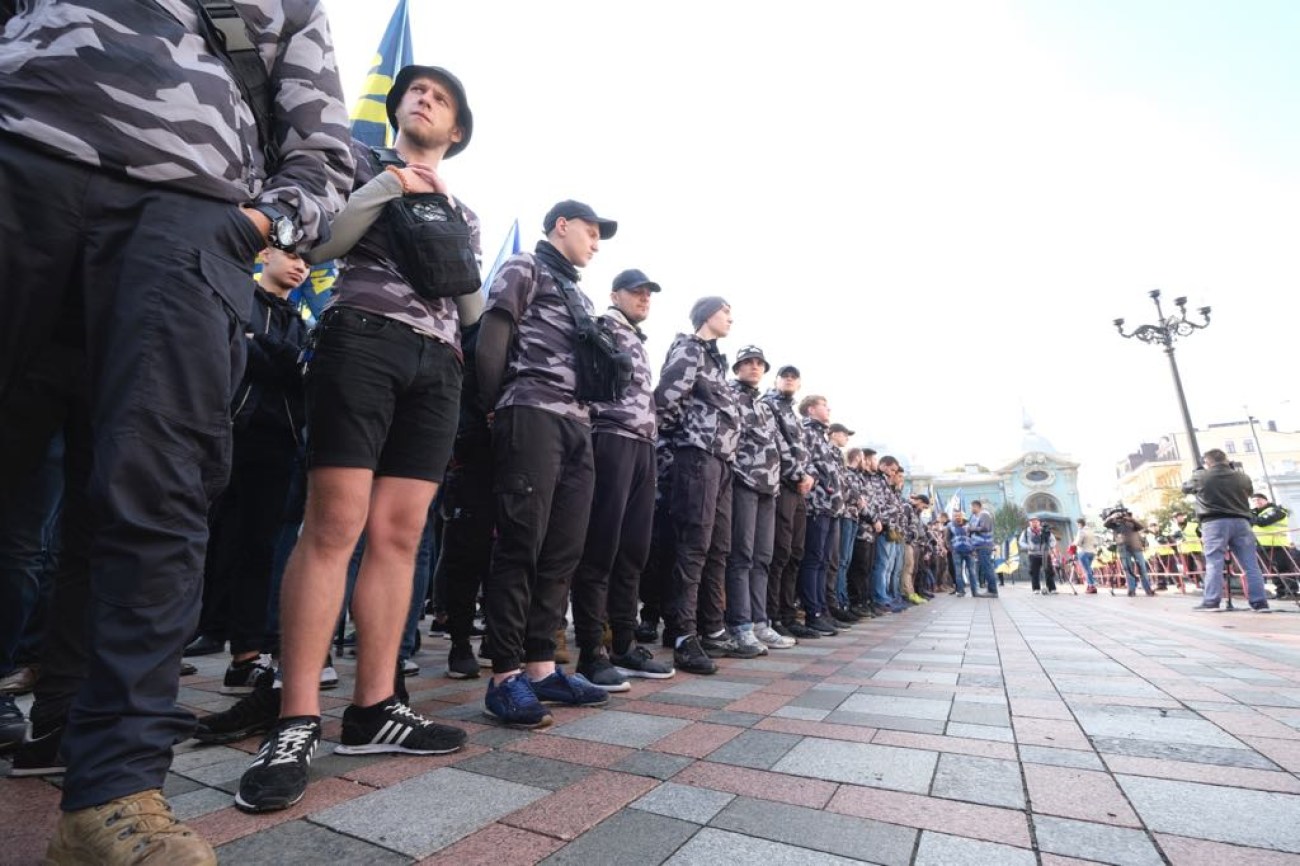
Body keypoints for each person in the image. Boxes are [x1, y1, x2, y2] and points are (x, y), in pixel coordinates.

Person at [0, 2, 353, 860]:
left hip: (186, 220)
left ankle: (111, 792)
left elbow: (325, 151)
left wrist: (252, 225)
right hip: (20, 155)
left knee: (155, 497)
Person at [237, 64, 479, 815]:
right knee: (333, 525)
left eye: (440, 97)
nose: (425, 98)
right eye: (417, 91)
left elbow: (469, 302)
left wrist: (439, 213)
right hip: (361, 341)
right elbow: (323, 244)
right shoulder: (360, 168)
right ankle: (296, 717)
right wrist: (388, 189)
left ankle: (375, 709)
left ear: (458, 131)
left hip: (438, 362)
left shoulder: (462, 206)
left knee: (399, 535)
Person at [475, 200, 620, 725]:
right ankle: (505, 675)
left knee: (562, 550)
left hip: (577, 424)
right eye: (591, 231)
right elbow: (494, 336)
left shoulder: (576, 291)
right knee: (520, 543)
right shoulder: (525, 267)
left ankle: (541, 667)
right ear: (562, 225)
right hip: (529, 410)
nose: (596, 243)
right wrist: (492, 409)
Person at [199, 248, 309, 695]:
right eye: (293, 255)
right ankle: (190, 636)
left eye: (307, 259)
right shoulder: (240, 297)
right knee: (202, 540)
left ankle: (246, 655)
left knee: (258, 549)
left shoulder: (299, 319)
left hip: (278, 441)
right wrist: (281, 358)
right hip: (226, 430)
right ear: (265, 254)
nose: (301, 265)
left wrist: (270, 350)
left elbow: (303, 370)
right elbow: (236, 352)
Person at [570, 269, 675, 691]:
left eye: (649, 293)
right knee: (601, 548)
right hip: (610, 439)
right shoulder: (601, 327)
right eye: (637, 292)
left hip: (643, 446)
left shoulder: (636, 338)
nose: (644, 298)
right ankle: (591, 651)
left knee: (633, 550)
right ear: (615, 294)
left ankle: (624, 644)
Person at [656, 297, 744, 674]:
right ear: (708, 315)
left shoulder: (715, 361)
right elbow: (666, 402)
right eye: (726, 312)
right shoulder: (689, 348)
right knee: (693, 545)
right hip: (697, 456)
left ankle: (711, 627)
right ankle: (682, 634)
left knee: (718, 548)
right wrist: (672, 454)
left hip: (721, 462)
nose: (731, 318)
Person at [725, 346, 797, 654]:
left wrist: (799, 473)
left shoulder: (765, 407)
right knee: (741, 555)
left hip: (770, 489)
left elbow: (781, 445)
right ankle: (740, 626)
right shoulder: (729, 396)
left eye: (759, 364)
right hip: (743, 482)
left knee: (763, 558)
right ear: (737, 367)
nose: (754, 367)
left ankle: (759, 622)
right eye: (748, 363)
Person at [761, 366, 816, 639]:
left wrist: (809, 477)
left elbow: (803, 451)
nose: (790, 379)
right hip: (782, 485)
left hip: (799, 489)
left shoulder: (792, 412)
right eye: (785, 376)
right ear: (776, 380)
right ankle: (773, 615)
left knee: (795, 553)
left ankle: (787, 613)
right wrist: (799, 474)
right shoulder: (767, 405)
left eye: (794, 376)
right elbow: (776, 445)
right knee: (779, 553)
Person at [1185, 450, 1270, 612]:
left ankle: (1212, 601)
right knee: (1251, 564)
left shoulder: (1202, 476)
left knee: (1214, 563)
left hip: (1214, 522)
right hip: (1242, 521)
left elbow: (1186, 488)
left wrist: (1197, 473)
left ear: (1207, 462)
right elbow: (1249, 491)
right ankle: (1260, 603)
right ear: (1227, 460)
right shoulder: (1241, 476)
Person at [797, 395, 845, 635]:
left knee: (824, 561)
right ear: (811, 409)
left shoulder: (822, 437)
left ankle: (822, 609)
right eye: (825, 406)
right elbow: (805, 462)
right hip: (815, 504)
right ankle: (812, 612)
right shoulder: (806, 431)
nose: (829, 409)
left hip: (830, 506)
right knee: (813, 559)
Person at [1250, 493, 1295, 598]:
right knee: (1272, 571)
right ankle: (1280, 592)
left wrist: (1249, 515)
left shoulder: (1277, 510)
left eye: (1259, 499)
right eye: (1254, 500)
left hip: (1278, 544)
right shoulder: (1255, 513)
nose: (1257, 502)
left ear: (1266, 500)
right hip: (1262, 545)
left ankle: (1291, 591)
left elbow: (1262, 522)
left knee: (1283, 569)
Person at [1102, 506, 1154, 597]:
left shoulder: (1131, 522)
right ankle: (1131, 590)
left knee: (1143, 569)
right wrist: (1112, 517)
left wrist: (1131, 519)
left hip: (1136, 547)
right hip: (1123, 548)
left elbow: (1141, 527)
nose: (1121, 515)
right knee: (1128, 570)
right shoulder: (1114, 524)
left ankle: (1148, 589)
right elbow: (1105, 524)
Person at [1020, 518, 1057, 594]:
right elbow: (1021, 542)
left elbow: (1053, 540)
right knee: (1034, 572)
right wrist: (1028, 546)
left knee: (1049, 571)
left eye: (1036, 522)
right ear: (1029, 523)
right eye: (1032, 522)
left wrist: (1049, 545)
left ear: (1039, 523)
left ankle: (1052, 588)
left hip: (1045, 553)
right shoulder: (1026, 532)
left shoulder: (1045, 530)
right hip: (1033, 554)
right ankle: (1036, 589)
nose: (1034, 523)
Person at [968, 500, 997, 596]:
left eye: (972, 507)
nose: (971, 509)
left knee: (987, 567)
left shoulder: (984, 514)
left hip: (985, 545)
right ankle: (991, 590)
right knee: (986, 567)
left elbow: (985, 528)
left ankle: (993, 591)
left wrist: (971, 529)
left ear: (977, 507)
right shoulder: (975, 517)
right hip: (980, 546)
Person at [948, 512, 974, 596]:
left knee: (972, 571)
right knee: (958, 572)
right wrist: (951, 548)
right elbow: (947, 539)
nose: (957, 517)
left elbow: (973, 536)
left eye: (959, 515)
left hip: (969, 551)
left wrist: (973, 548)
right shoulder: (950, 525)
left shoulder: (969, 524)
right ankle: (961, 591)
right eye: (955, 516)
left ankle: (975, 591)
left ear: (962, 516)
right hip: (957, 552)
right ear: (953, 517)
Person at [1073, 518, 1099, 593]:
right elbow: (1095, 543)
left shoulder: (1081, 531)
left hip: (1083, 552)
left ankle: (1091, 586)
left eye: (1077, 524)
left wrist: (1074, 543)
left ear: (1080, 524)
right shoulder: (1091, 531)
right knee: (1088, 569)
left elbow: (1078, 542)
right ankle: (1089, 585)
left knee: (1087, 570)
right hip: (1092, 552)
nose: (1077, 526)